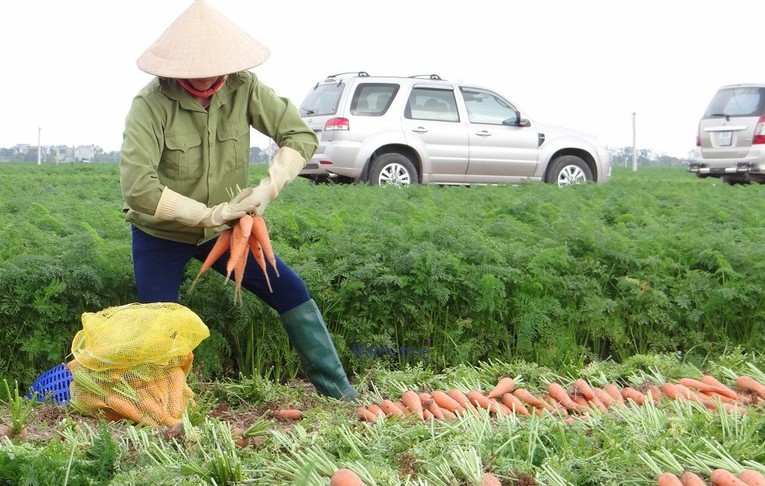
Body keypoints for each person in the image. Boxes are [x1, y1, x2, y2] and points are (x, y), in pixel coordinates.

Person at [118, 0, 358, 401]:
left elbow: (300, 136)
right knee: (160, 328)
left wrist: (267, 189)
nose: (206, 79)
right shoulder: (151, 104)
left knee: (290, 292)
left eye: (214, 71)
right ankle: (163, 409)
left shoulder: (244, 87)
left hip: (229, 229)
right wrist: (207, 213)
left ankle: (341, 395)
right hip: (162, 233)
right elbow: (138, 188)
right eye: (193, 73)